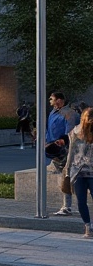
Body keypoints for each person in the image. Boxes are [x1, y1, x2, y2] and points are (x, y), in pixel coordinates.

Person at [64, 106, 93, 238]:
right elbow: (70, 152)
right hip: (78, 172)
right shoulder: (75, 132)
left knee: (82, 201)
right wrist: (67, 171)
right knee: (81, 201)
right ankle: (88, 227)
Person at [48, 92, 75, 215]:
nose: (50, 100)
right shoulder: (53, 112)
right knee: (63, 178)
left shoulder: (68, 113)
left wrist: (63, 143)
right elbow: (50, 130)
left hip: (65, 150)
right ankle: (66, 206)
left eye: (52, 99)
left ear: (59, 100)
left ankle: (67, 207)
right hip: (55, 149)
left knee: (66, 178)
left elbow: (70, 133)